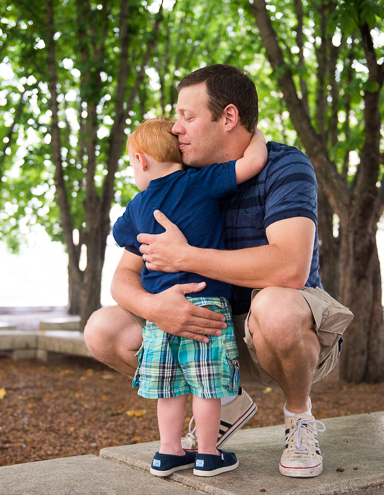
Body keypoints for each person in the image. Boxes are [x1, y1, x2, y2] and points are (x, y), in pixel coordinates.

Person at [85, 64, 353, 478]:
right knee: (102, 329)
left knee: (276, 308)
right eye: (176, 117)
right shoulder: (176, 180)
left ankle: (298, 417)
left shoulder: (285, 166)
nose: (176, 129)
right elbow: (123, 278)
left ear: (228, 117)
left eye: (188, 117)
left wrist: (185, 256)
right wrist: (155, 308)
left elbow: (289, 270)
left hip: (279, 332)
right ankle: (223, 401)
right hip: (206, 326)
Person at [112, 116, 268, 477]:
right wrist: (256, 132)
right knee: (206, 385)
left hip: (161, 310)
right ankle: (207, 455)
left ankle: (168, 453)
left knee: (170, 387)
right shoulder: (201, 181)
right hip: (206, 302)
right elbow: (253, 161)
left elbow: (124, 243)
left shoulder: (137, 207)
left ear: (140, 159)